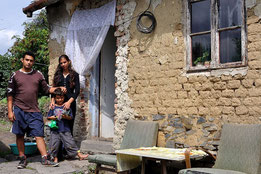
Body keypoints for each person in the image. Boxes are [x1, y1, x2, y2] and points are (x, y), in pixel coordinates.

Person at [7, 51, 58, 169]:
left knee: (39, 135)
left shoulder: (38, 74)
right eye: (27, 60)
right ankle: (22, 159)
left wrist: (57, 89)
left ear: (33, 62)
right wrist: (10, 111)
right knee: (19, 135)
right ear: (22, 60)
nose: (29, 62)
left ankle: (45, 158)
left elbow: (46, 89)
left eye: (31, 61)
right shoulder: (15, 75)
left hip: (34, 110)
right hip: (19, 109)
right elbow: (10, 95)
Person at [48, 88, 88, 164]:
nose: (60, 99)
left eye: (61, 98)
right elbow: (48, 117)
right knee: (54, 145)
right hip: (55, 130)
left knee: (70, 143)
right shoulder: (53, 107)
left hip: (65, 129)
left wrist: (65, 116)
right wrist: (54, 117)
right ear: (55, 98)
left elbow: (70, 117)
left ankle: (79, 155)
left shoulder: (66, 107)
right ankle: (55, 158)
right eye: (58, 98)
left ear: (64, 97)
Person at [51, 54, 80, 134]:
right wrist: (52, 101)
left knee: (69, 126)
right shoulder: (57, 75)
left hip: (70, 103)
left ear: (69, 62)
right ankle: (58, 146)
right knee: (58, 124)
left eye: (65, 62)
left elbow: (77, 91)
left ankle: (68, 146)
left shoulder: (74, 75)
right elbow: (53, 89)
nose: (63, 64)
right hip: (58, 104)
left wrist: (68, 103)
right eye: (61, 63)